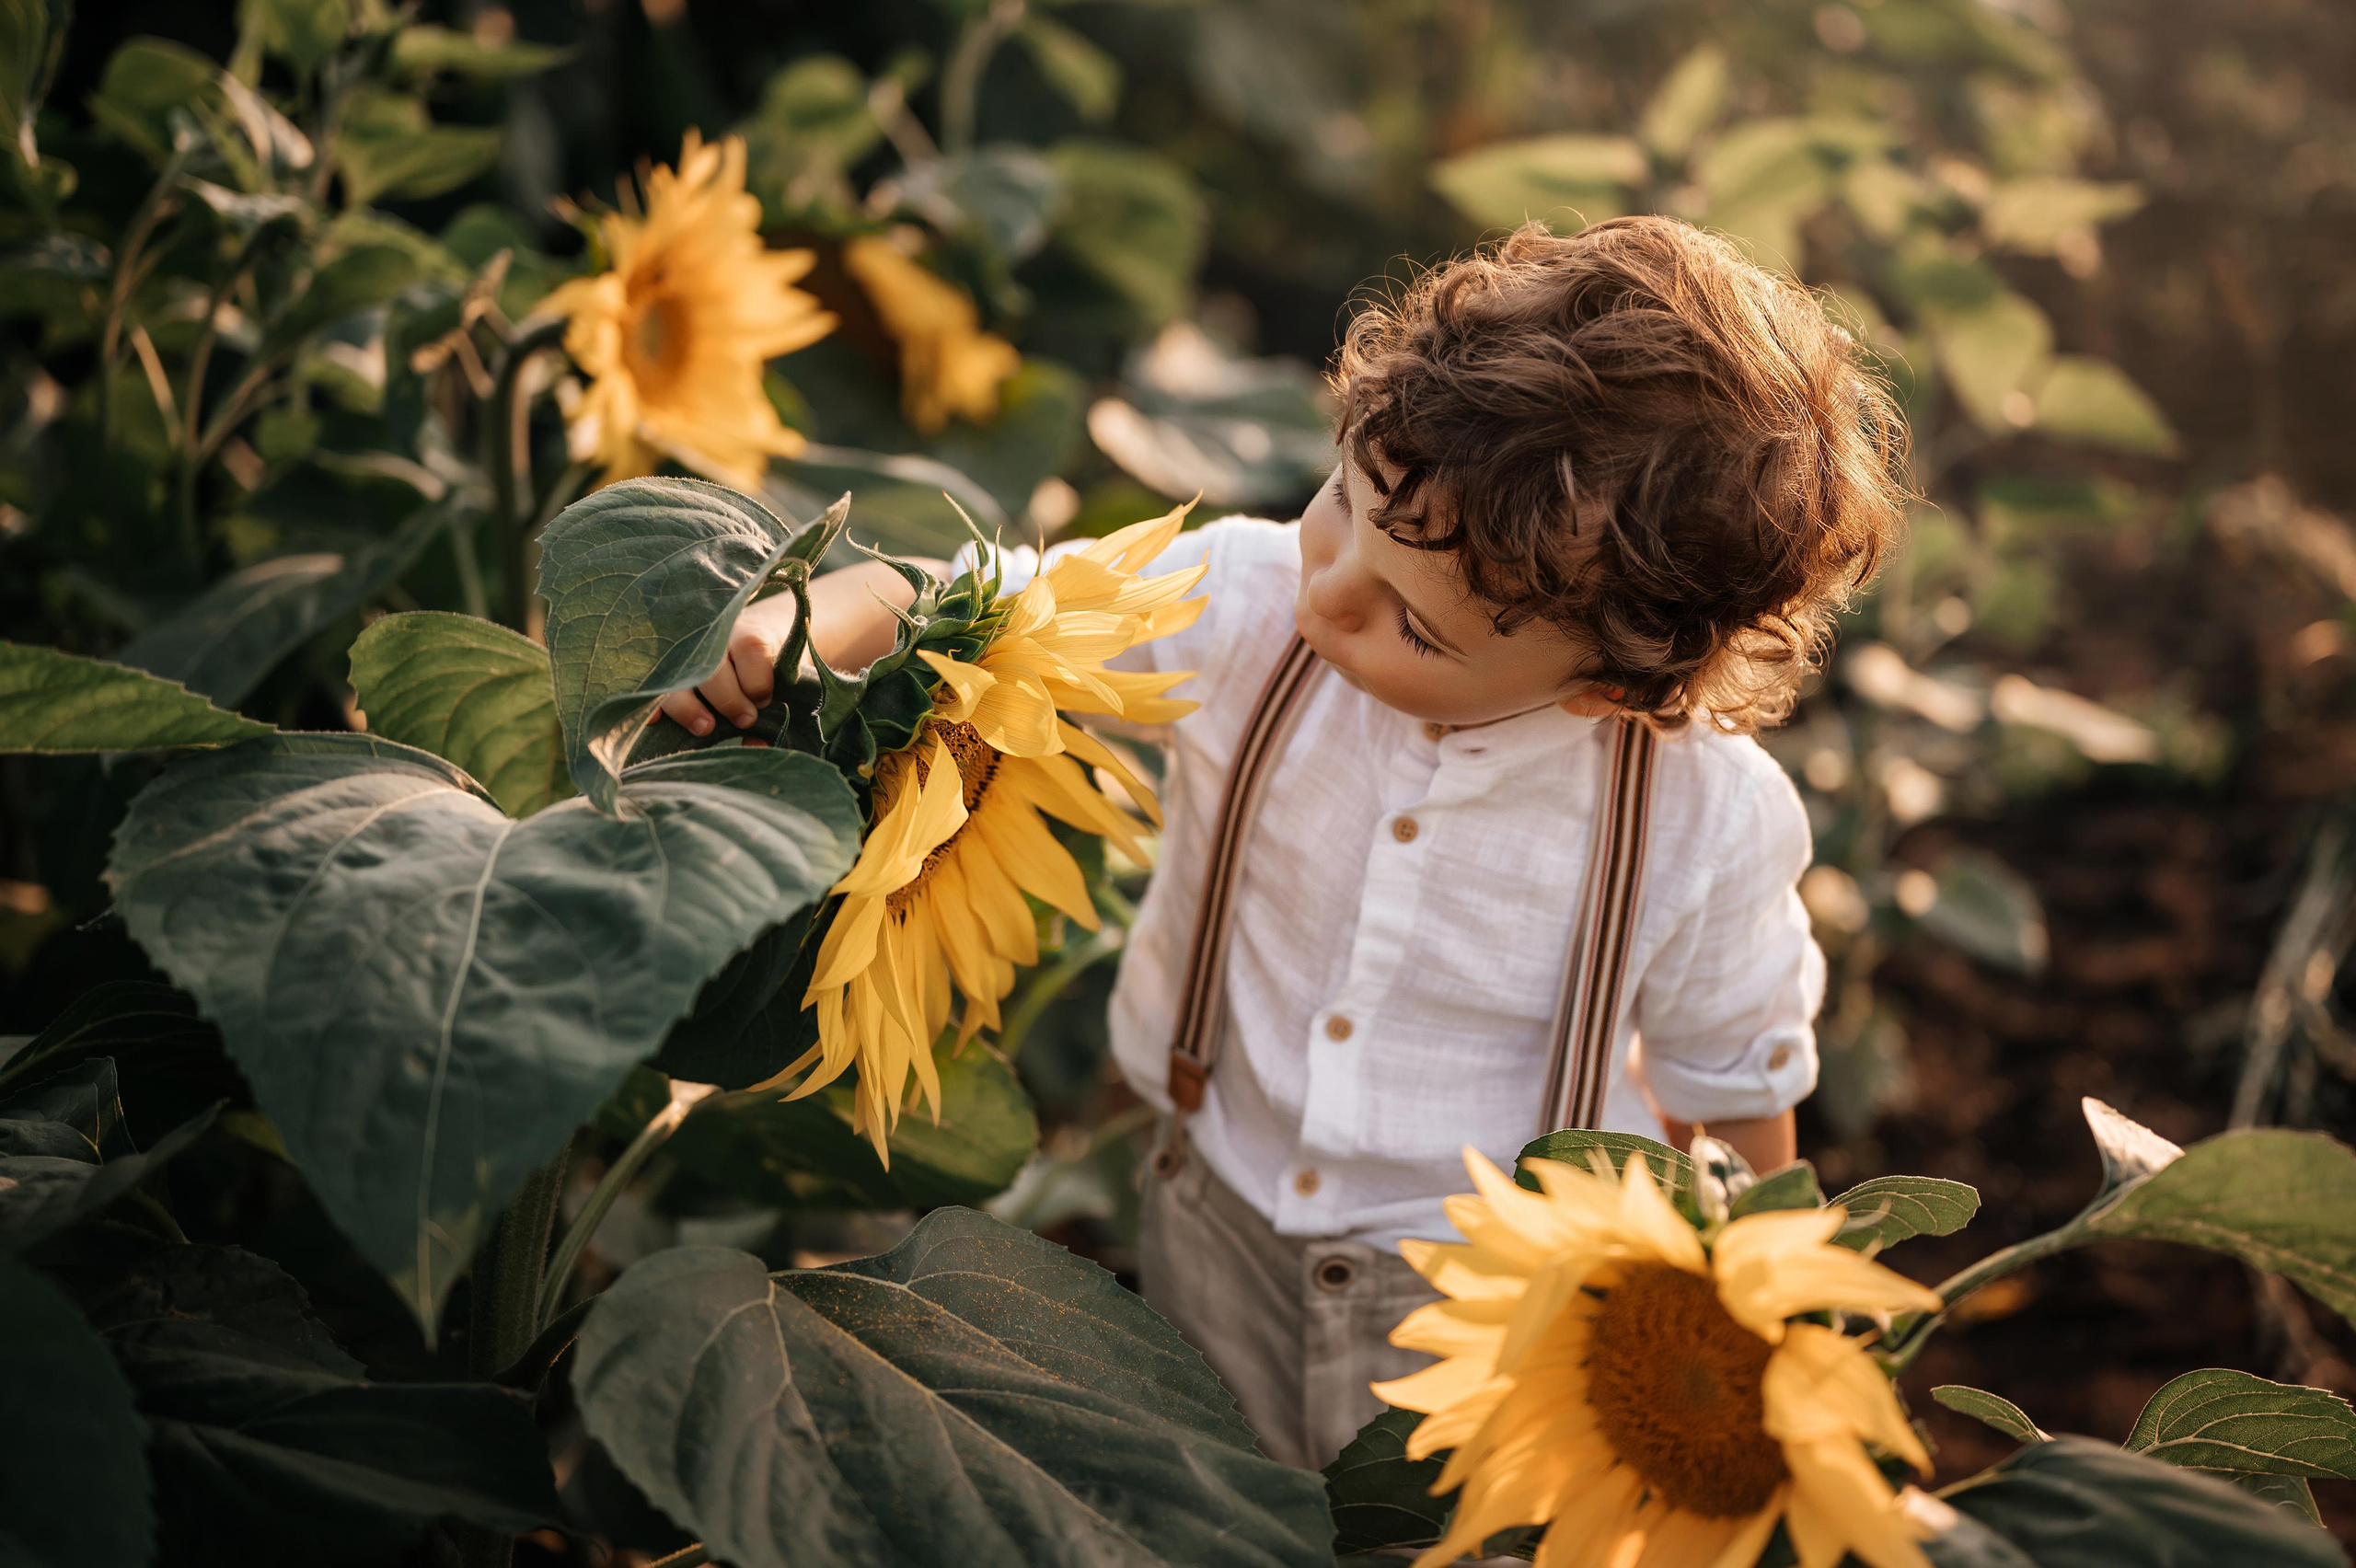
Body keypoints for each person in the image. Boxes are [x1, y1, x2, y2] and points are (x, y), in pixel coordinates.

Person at [664, 216, 1910, 1471]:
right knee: (1215, 1499)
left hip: (1503, 1302)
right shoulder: (1245, 603)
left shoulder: (1702, 822)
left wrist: (1747, 1334)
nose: (1329, 591)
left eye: (1414, 630)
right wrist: (816, 616)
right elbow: (987, 599)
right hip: (1214, 1202)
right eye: (1340, 505)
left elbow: (1735, 1086)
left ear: (1613, 687)